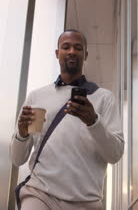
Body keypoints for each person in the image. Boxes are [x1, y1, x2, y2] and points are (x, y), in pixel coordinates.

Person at [10, 29, 124, 210]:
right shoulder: (38, 97)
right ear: (57, 54)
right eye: (66, 47)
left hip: (86, 201)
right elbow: (17, 158)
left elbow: (115, 154)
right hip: (40, 194)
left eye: (78, 48)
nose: (72, 51)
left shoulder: (104, 98)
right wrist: (22, 133)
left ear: (85, 55)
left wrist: (93, 121)